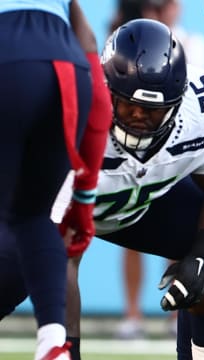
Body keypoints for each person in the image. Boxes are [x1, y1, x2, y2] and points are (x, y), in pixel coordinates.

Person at [0, 18, 204, 360]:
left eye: (151, 109)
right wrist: (66, 345)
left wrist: (201, 257)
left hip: (131, 207)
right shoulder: (72, 118)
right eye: (128, 104)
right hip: (40, 214)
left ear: (177, 103)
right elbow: (63, 254)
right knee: (14, 273)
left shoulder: (199, 113)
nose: (137, 117)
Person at [0, 1, 112, 359]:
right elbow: (98, 92)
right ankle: (53, 344)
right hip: (69, 69)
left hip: (8, 57)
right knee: (34, 216)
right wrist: (84, 199)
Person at [109, 0, 204, 339]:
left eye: (165, 4)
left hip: (174, 148)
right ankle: (133, 314)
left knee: (182, 232)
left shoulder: (193, 43)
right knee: (130, 232)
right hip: (128, 150)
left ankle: (176, 314)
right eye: (154, 5)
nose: (162, 10)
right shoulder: (124, 36)